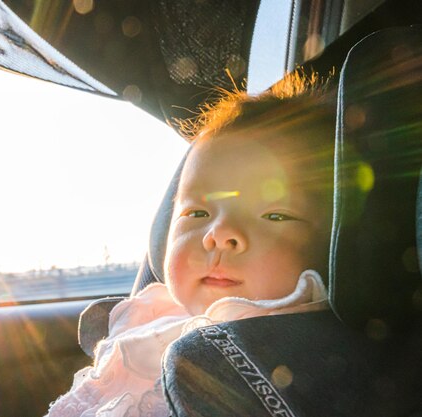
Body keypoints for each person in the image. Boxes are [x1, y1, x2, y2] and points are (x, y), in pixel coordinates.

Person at [46, 71, 336, 417]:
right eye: (198, 212)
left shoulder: (300, 360)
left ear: (333, 243)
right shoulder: (151, 316)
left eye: (274, 216)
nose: (219, 233)